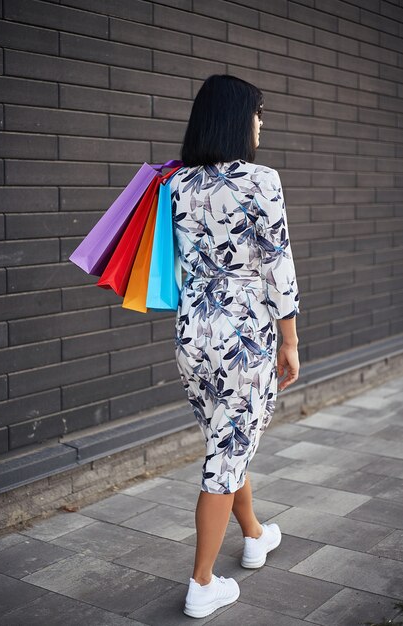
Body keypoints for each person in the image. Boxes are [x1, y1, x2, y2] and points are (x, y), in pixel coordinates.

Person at [169, 74, 301, 619]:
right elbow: (279, 269)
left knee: (225, 438)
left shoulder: (177, 185)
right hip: (244, 334)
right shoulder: (261, 180)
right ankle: (202, 583)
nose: (261, 122)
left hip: (191, 334)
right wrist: (290, 342)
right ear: (236, 118)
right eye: (258, 112)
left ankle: (252, 533)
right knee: (226, 453)